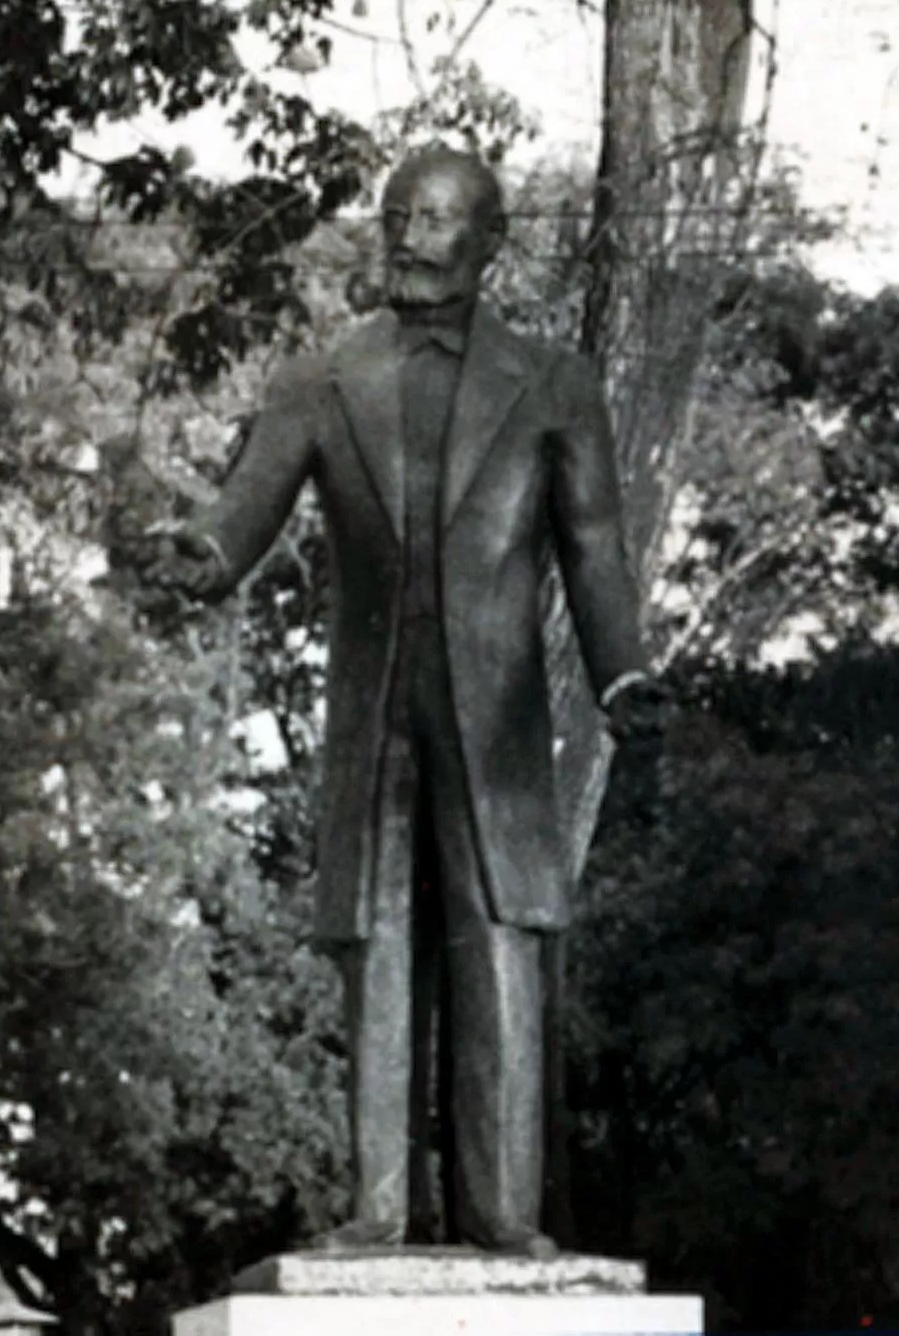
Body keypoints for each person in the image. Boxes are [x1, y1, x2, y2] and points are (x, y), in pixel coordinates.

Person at [147, 144, 664, 1259]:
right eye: (395, 218)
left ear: (491, 241)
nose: (408, 238)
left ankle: (503, 1211)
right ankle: (377, 1208)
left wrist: (622, 673)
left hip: (499, 720)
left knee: (500, 932)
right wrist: (199, 553)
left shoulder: (554, 383)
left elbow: (594, 547)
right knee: (375, 939)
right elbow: (243, 513)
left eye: (433, 220)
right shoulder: (322, 378)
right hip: (372, 708)